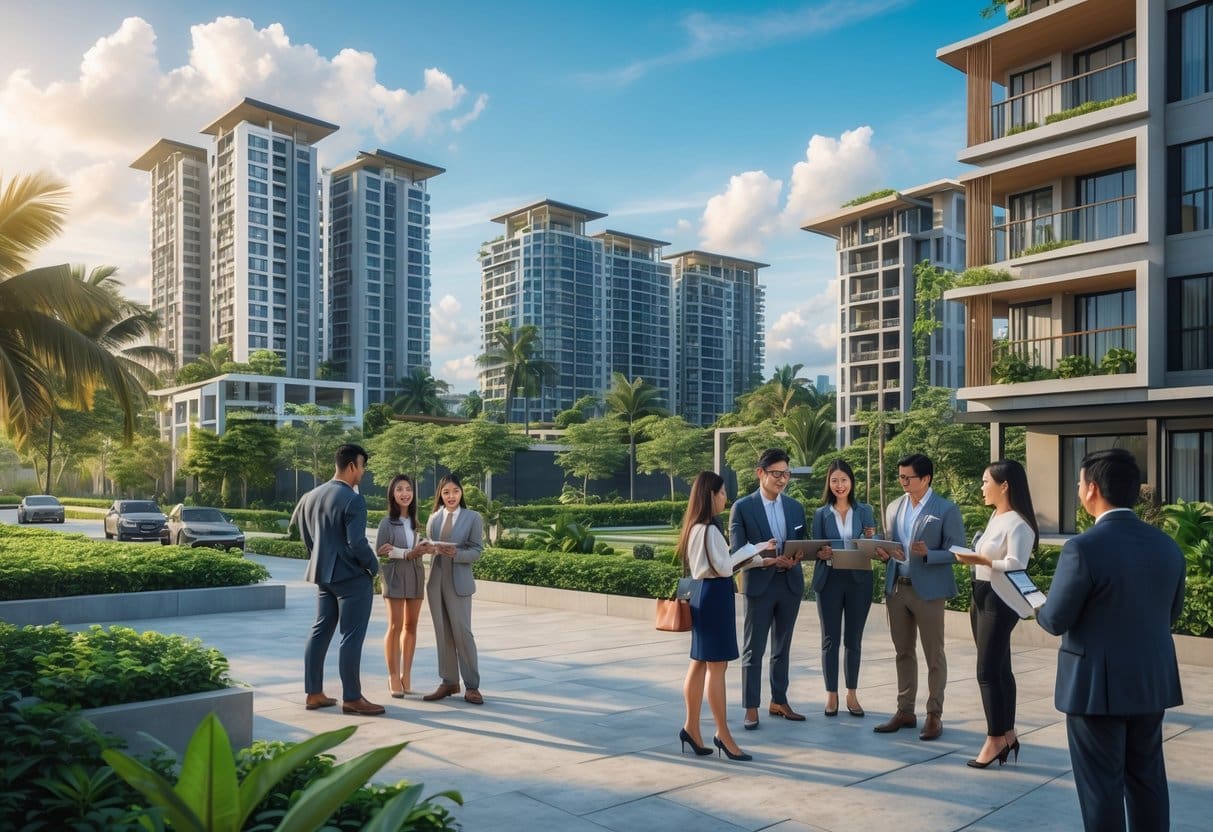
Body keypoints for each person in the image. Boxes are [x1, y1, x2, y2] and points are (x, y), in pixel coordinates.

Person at [1037, 449, 1185, 831]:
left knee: (1100, 787)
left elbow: (1055, 619)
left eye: (1080, 483)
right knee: (1147, 778)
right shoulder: (1166, 545)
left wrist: (1036, 604)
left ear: (1093, 489)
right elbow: (1171, 614)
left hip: (1095, 688)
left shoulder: (1083, 548)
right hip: (1151, 680)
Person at [678, 471, 779, 762]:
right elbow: (724, 568)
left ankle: (691, 728)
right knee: (716, 669)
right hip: (715, 598)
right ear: (711, 495)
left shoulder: (694, 526)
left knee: (698, 664)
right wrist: (755, 549)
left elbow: (718, 564)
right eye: (722, 493)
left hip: (701, 594)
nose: (725, 497)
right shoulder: (709, 528)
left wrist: (758, 557)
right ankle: (723, 733)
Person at [872, 452, 965, 741]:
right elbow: (892, 543)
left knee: (933, 655)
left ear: (925, 478)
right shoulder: (894, 506)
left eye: (907, 477)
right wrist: (884, 552)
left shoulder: (946, 509)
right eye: (900, 476)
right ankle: (905, 711)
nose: (902, 482)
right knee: (903, 652)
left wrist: (930, 554)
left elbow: (958, 551)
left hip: (930, 591)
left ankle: (934, 714)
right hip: (897, 588)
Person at [952, 460, 1037, 768]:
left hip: (1000, 600)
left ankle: (994, 739)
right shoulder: (995, 516)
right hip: (982, 595)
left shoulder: (1018, 523)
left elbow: (1016, 564)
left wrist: (983, 560)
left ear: (1005, 486)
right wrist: (977, 561)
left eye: (986, 481)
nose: (982, 487)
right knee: (1000, 669)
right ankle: (1008, 734)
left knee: (986, 672)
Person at [292, 443, 384, 716]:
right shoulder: (353, 499)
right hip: (352, 578)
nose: (363, 473)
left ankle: (314, 693)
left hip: (324, 576)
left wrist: (319, 560)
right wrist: (373, 567)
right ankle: (353, 698)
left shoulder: (310, 496)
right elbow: (357, 542)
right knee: (351, 637)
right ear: (352, 466)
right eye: (363, 467)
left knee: (320, 631)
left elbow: (306, 537)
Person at [729, 447, 807, 730]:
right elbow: (737, 551)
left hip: (789, 584)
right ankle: (751, 707)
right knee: (754, 649)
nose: (782, 479)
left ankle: (779, 700)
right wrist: (767, 560)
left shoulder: (795, 507)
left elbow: (804, 544)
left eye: (786, 474)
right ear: (760, 473)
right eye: (776, 473)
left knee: (782, 648)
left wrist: (796, 558)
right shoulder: (743, 507)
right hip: (759, 586)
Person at [809, 459, 877, 719]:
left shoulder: (865, 511)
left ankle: (852, 693)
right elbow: (815, 548)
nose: (840, 485)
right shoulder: (820, 514)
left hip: (859, 580)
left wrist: (871, 540)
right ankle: (831, 695)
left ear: (852, 482)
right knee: (830, 640)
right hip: (829, 581)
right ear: (829, 483)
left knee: (853, 640)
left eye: (844, 480)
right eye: (835, 480)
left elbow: (872, 542)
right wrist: (822, 552)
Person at [421, 473, 486, 706]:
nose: (451, 496)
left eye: (455, 492)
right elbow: (430, 544)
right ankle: (448, 681)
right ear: (440, 494)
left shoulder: (472, 518)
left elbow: (477, 551)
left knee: (463, 633)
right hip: (436, 581)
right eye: (446, 492)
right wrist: (428, 548)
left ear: (462, 493)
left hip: (459, 581)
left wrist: (457, 554)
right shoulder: (434, 518)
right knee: (443, 632)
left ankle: (472, 686)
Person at [375, 473, 425, 698]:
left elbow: (412, 550)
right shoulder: (387, 522)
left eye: (408, 489)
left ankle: (407, 675)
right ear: (392, 494)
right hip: (394, 575)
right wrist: (407, 553)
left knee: (411, 626)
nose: (405, 493)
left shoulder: (417, 523)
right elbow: (381, 551)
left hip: (415, 574)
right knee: (395, 626)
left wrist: (428, 548)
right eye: (399, 489)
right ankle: (393, 675)